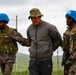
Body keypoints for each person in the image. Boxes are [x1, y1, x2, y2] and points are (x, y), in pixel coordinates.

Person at [13, 8, 62, 75]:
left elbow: (58, 40)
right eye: (31, 18)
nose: (33, 20)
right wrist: (19, 39)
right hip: (33, 61)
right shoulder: (29, 28)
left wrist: (50, 49)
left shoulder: (49, 27)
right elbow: (29, 42)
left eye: (35, 18)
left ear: (40, 16)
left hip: (46, 60)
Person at [61, 10, 76, 75]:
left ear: (74, 19)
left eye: (69, 18)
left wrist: (73, 56)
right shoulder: (67, 32)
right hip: (68, 59)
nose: (67, 20)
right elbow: (64, 46)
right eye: (66, 18)